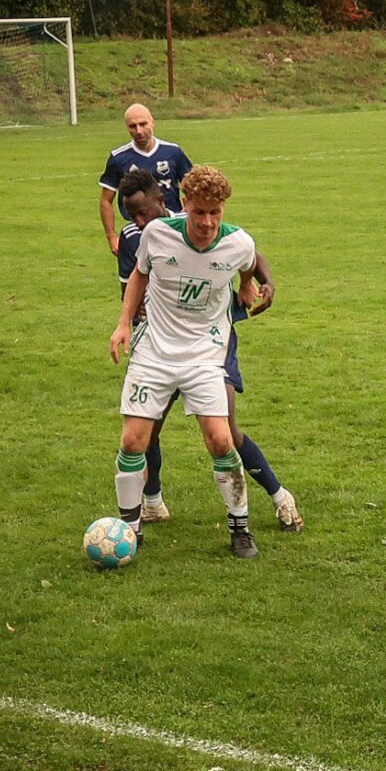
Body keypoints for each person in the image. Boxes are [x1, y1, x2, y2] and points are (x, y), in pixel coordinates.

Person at [115, 169, 303, 532]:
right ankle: (151, 503)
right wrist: (125, 321)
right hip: (160, 343)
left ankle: (279, 496)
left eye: (144, 212)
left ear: (164, 201)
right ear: (186, 204)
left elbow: (249, 257)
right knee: (144, 431)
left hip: (211, 345)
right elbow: (135, 279)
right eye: (132, 215)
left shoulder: (223, 235)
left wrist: (256, 283)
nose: (140, 220)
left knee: (225, 433)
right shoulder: (145, 237)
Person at [98, 103, 192, 258]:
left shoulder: (173, 152)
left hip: (173, 226)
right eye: (132, 126)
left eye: (143, 124)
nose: (139, 131)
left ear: (152, 122)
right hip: (138, 229)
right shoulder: (118, 158)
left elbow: (193, 187)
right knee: (139, 271)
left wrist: (189, 212)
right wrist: (111, 236)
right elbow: (106, 200)